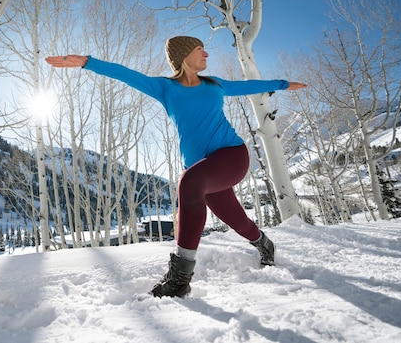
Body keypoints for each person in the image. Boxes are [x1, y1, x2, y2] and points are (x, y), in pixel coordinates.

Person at [45, 36, 308, 298]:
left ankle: (180, 279)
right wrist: (87, 63)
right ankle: (264, 243)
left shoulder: (214, 84)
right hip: (204, 170)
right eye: (199, 50)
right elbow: (125, 74)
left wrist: (283, 84)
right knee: (236, 220)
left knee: (189, 182)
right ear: (184, 55)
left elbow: (249, 85)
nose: (206, 54)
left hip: (231, 156)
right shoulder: (165, 88)